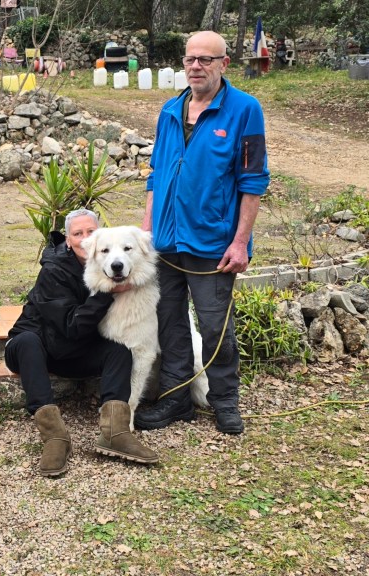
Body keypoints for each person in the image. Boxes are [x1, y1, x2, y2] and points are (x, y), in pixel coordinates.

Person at [137, 31, 269, 435]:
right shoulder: (169, 111)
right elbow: (157, 176)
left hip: (212, 243)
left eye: (205, 60)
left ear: (224, 64)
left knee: (214, 327)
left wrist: (241, 241)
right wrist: (147, 233)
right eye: (191, 59)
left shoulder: (245, 110)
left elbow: (253, 180)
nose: (196, 66)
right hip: (166, 242)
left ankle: (225, 400)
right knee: (169, 323)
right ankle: (177, 399)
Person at [4, 209, 159, 476]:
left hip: (73, 352)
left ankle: (116, 431)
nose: (86, 239)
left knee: (119, 351)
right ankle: (55, 438)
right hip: (38, 346)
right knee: (27, 342)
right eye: (78, 234)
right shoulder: (54, 270)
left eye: (91, 232)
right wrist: (108, 292)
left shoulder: (105, 266)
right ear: (68, 239)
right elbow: (70, 326)